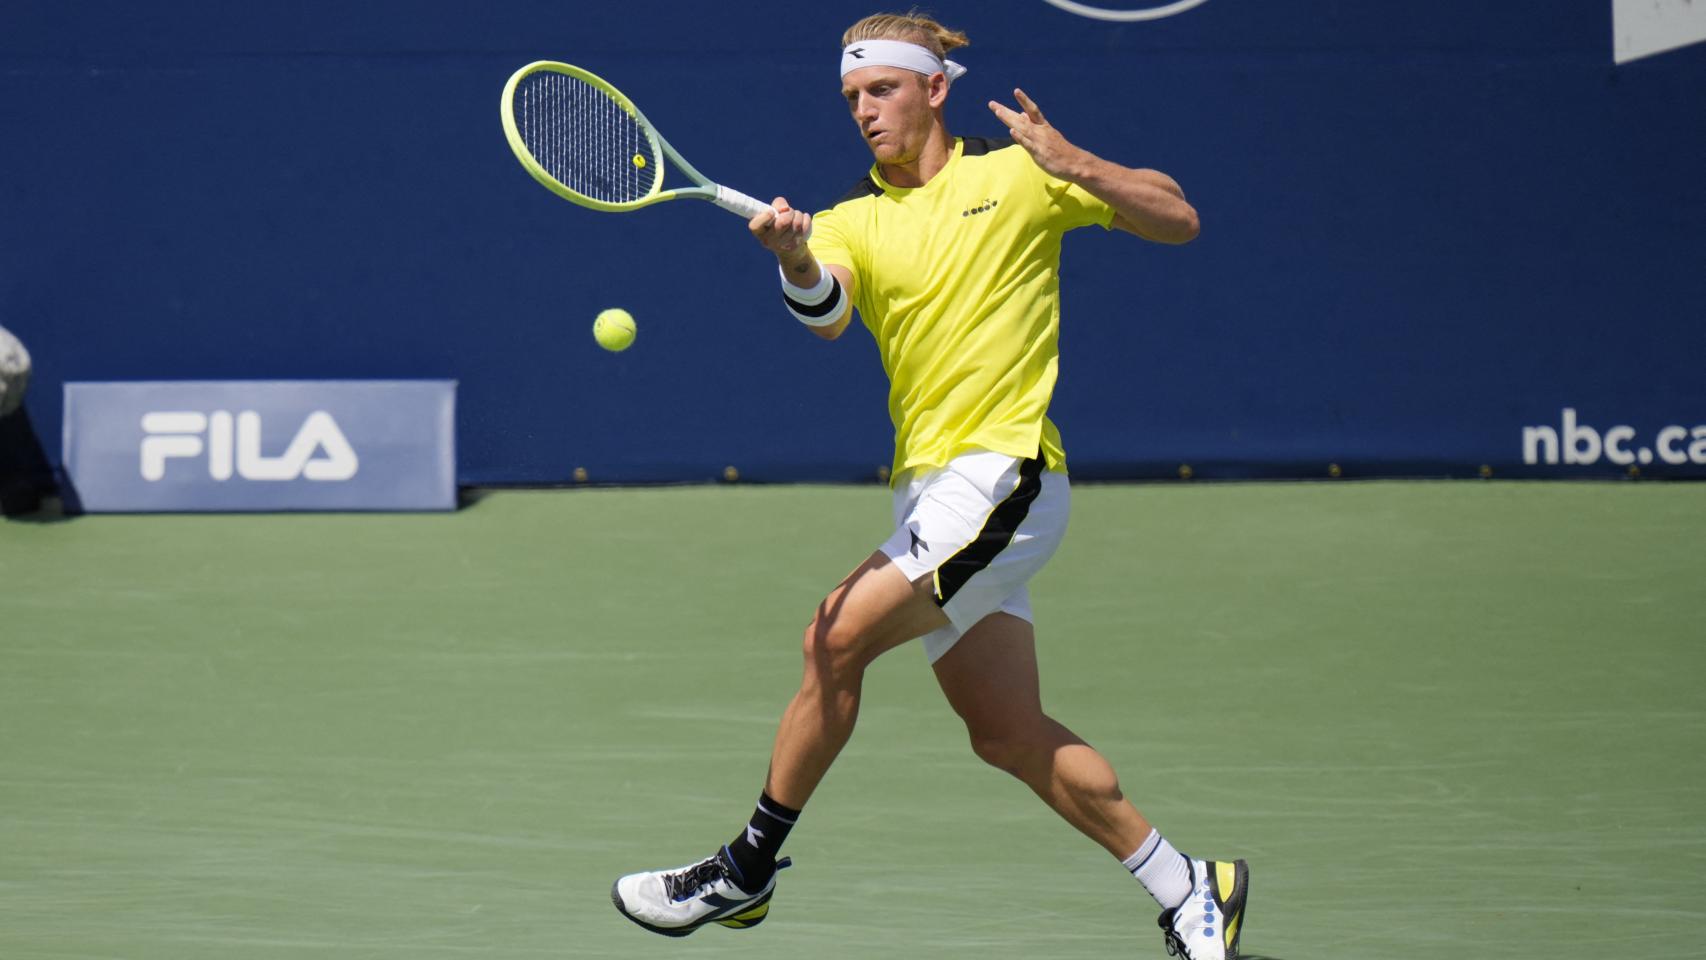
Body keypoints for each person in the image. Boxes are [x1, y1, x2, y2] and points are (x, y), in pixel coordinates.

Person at [612, 12, 1247, 959]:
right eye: (852, 98)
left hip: (1004, 474)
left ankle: (746, 869)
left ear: (935, 89)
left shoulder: (1021, 176)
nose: (865, 111)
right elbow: (828, 313)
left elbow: (1178, 216)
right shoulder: (851, 221)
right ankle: (1188, 885)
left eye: (882, 90)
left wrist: (1073, 161)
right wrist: (795, 257)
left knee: (833, 637)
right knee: (1006, 732)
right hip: (928, 491)